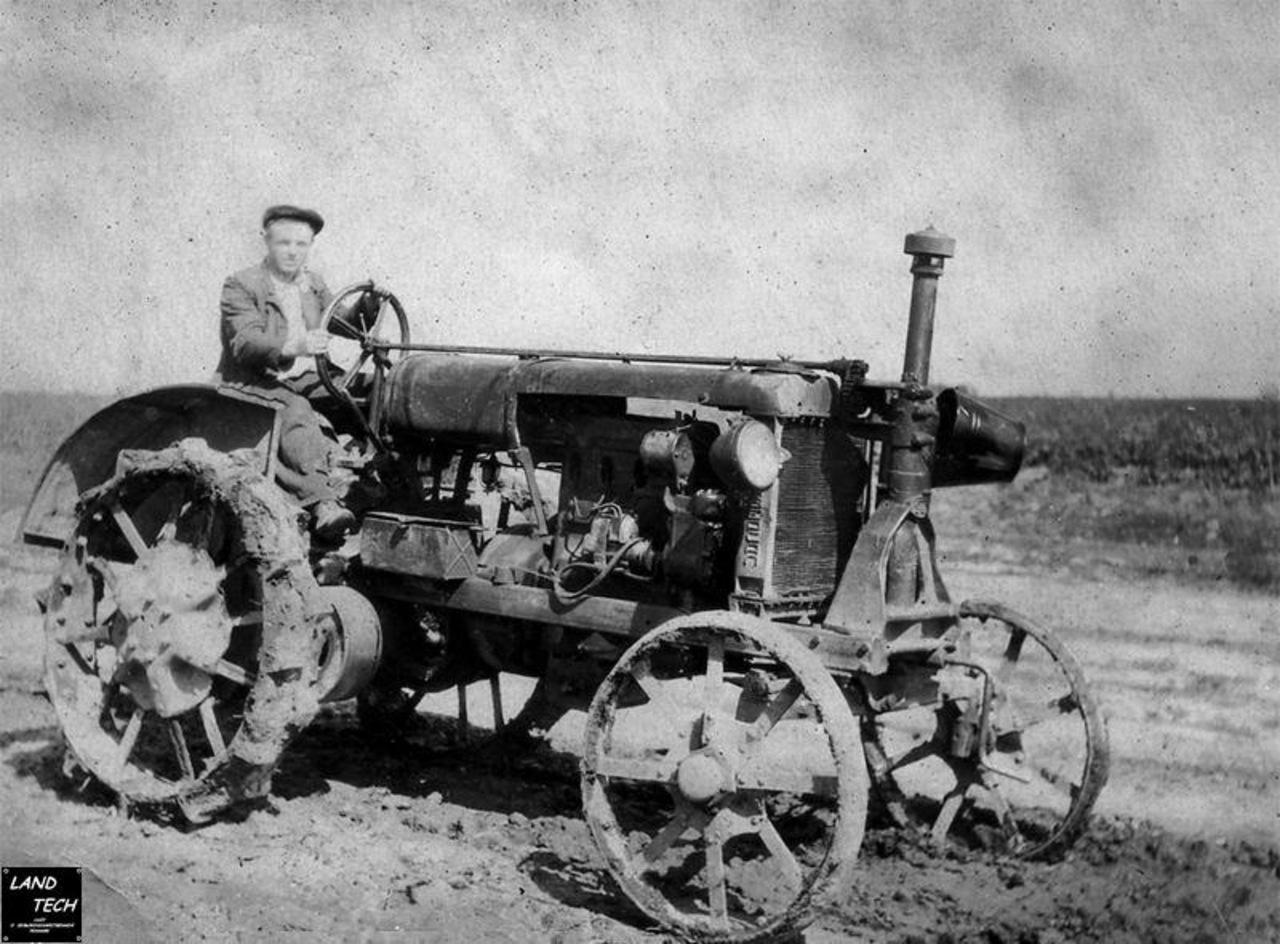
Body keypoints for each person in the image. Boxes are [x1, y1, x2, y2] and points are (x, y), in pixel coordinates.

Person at [215, 204, 356, 539]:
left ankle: (386, 482)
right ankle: (321, 501)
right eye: (284, 243)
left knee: (373, 392)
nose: (293, 252)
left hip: (303, 379)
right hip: (251, 380)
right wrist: (297, 345)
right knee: (296, 409)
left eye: (301, 244)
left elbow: (344, 321)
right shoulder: (241, 284)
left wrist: (368, 307)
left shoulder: (313, 285)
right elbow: (246, 343)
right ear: (266, 241)